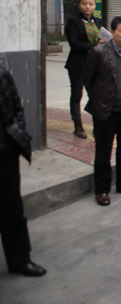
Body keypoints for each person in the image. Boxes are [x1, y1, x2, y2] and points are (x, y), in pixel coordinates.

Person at [83, 16, 121, 206]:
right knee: (103, 151)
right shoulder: (98, 51)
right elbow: (88, 79)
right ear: (113, 32)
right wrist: (99, 99)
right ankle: (102, 190)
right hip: (105, 110)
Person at [0, 67, 46, 277]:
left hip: (4, 152)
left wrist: (18, 132)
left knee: (12, 210)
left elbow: (16, 106)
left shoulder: (2, 74)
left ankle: (20, 260)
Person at [64, 0, 105, 138]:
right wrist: (95, 45)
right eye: (84, 4)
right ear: (79, 5)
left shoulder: (98, 21)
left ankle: (97, 126)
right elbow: (74, 44)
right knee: (77, 94)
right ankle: (78, 126)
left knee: (95, 96)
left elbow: (102, 39)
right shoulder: (73, 21)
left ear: (94, 6)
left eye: (91, 4)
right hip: (77, 65)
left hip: (94, 65)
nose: (87, 7)